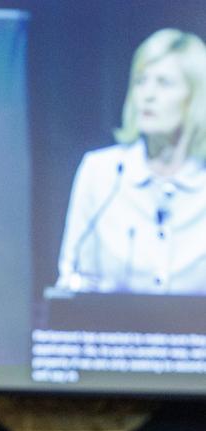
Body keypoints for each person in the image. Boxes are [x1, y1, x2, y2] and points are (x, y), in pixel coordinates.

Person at [56, 28, 206, 295]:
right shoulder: (101, 173)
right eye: (140, 81)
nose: (147, 95)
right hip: (113, 333)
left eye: (164, 83)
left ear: (194, 98)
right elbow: (73, 280)